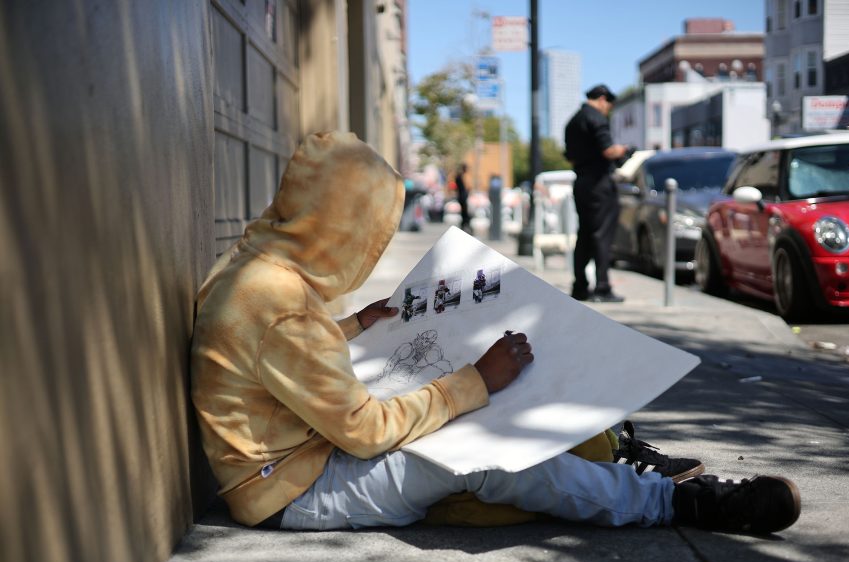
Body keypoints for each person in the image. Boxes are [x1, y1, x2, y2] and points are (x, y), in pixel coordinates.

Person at [190, 130, 801, 534]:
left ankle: (609, 459)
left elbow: (271, 352)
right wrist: (472, 382)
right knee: (485, 458)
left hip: (300, 459)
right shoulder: (278, 301)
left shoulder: (253, 269)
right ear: (338, 225)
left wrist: (351, 325)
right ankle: (680, 505)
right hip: (292, 490)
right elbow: (365, 431)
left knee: (479, 410)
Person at [564, 84, 630, 302]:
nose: (608, 110)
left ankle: (580, 286)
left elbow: (570, 156)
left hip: (581, 182)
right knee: (602, 235)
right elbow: (608, 150)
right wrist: (623, 150)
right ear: (602, 99)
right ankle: (602, 287)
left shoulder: (572, 122)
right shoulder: (596, 118)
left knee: (584, 235)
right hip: (599, 183)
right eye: (609, 105)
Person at [455, 163, 471, 233]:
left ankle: (464, 226)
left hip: (461, 196)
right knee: (465, 213)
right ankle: (465, 226)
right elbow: (465, 187)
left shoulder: (458, 176)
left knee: (464, 213)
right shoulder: (461, 176)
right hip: (463, 197)